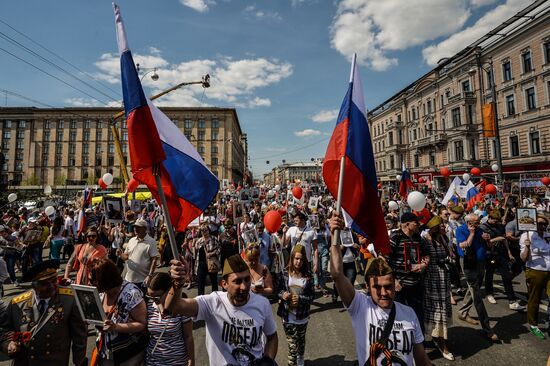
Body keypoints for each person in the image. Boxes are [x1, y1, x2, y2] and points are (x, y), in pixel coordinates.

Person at [328, 213, 432, 366]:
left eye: (388, 286)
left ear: (394, 285)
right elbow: (337, 274)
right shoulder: (360, 306)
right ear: (368, 287)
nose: (384, 293)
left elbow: (422, 360)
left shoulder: (409, 314)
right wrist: (334, 237)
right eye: (377, 287)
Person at [168, 254, 278, 365]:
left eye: (247, 279)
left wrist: (268, 360)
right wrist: (177, 285)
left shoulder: (262, 304)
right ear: (224, 284)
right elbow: (174, 306)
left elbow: (272, 337)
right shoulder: (212, 303)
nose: (244, 287)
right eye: (237, 281)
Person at [0, 259, 87, 365]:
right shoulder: (17, 304)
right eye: (44, 284)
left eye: (54, 281)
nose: (51, 286)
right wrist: (8, 344)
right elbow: (5, 331)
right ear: (34, 286)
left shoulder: (69, 300)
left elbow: (79, 337)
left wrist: (79, 362)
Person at [88, 258, 147, 366]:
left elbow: (142, 324)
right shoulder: (100, 292)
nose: (89, 283)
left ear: (104, 279)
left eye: (92, 280)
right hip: (105, 352)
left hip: (128, 355)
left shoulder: (131, 293)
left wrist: (116, 327)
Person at [456, 214, 499, 341]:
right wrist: (472, 233)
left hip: (481, 263)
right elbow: (464, 245)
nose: (479, 223)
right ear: (469, 222)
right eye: (476, 222)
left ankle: (462, 312)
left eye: (479, 221)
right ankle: (487, 329)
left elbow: (489, 246)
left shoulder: (481, 229)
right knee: (477, 295)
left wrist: (488, 240)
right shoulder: (461, 230)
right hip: (469, 264)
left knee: (473, 289)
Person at [386, 212, 430, 330]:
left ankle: (420, 343)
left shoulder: (417, 238)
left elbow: (426, 253)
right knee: (400, 316)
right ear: (407, 224)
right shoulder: (396, 237)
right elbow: (385, 260)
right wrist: (394, 281)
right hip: (400, 285)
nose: (418, 225)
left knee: (418, 313)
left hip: (416, 283)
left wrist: (424, 264)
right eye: (415, 222)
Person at [145, 272, 194, 365]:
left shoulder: (181, 307)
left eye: (157, 297)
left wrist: (191, 360)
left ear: (169, 291)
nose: (153, 300)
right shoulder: (149, 305)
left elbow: (188, 336)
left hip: (177, 361)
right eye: (150, 296)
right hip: (153, 361)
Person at [422, 216, 454, 361]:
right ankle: (441, 342)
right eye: (441, 226)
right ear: (434, 228)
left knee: (443, 310)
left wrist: (450, 256)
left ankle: (440, 338)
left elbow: (450, 255)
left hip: (444, 280)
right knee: (436, 311)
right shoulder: (426, 242)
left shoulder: (444, 239)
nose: (444, 227)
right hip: (432, 281)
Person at [277, 244, 314, 366]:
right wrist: (283, 295)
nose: (298, 262)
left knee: (301, 341)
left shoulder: (308, 276)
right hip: (288, 316)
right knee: (292, 347)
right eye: (296, 258)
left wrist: (300, 299)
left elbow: (311, 296)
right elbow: (278, 291)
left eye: (301, 259)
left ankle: (301, 357)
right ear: (292, 258)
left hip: (302, 316)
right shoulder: (284, 273)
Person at [481, 210, 524, 310]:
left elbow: (504, 240)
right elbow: (484, 244)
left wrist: (509, 253)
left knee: (507, 276)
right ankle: (489, 293)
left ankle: (512, 301)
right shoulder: (483, 228)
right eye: (495, 221)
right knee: (489, 274)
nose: (497, 223)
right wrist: (496, 239)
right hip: (490, 255)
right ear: (489, 218)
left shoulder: (500, 226)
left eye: (498, 221)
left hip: (502, 253)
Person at [519, 215, 550, 339]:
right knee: (534, 299)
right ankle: (533, 324)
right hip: (535, 271)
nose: (542, 226)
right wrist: (527, 247)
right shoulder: (526, 236)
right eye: (540, 223)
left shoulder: (548, 235)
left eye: (545, 224)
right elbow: (523, 258)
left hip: (549, 271)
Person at [118, 218, 160, 293]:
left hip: (142, 280)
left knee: (142, 302)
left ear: (145, 229)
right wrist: (120, 254)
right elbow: (126, 257)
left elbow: (154, 260)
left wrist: (150, 276)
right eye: (135, 227)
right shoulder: (131, 240)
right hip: (128, 279)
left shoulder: (151, 242)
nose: (135, 229)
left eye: (138, 227)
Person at [193, 224, 220, 296]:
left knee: (214, 282)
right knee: (200, 284)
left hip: (211, 263)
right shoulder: (199, 241)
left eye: (206, 230)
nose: (204, 232)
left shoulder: (214, 238)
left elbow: (219, 249)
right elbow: (195, 254)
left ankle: (216, 298)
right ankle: (200, 300)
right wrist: (193, 246)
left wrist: (211, 254)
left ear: (209, 231)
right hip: (201, 264)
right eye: (202, 230)